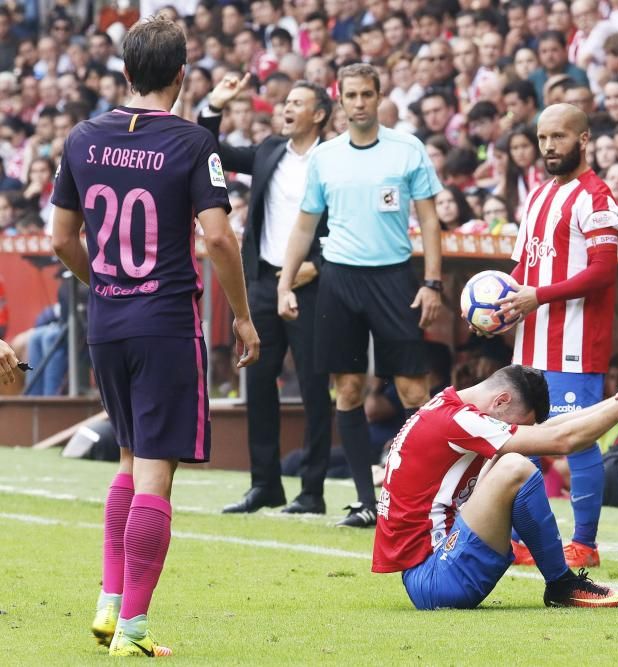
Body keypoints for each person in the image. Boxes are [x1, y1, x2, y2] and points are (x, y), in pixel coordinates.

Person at [49, 16, 260, 656]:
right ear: (181, 73)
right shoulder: (193, 144)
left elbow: (62, 239)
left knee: (128, 458)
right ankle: (135, 630)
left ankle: (110, 605)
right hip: (165, 321)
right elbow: (219, 237)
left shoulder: (83, 138)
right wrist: (244, 317)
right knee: (156, 473)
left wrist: (105, 283)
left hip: (107, 323)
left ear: (124, 71)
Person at [278, 63, 443, 528]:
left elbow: (430, 221)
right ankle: (366, 502)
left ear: (378, 95)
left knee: (413, 389)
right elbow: (306, 224)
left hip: (394, 277)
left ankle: (421, 498)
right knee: (347, 390)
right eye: (351, 95)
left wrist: (432, 282)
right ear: (340, 99)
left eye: (367, 94)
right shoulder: (326, 156)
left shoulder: (407, 149)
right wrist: (284, 283)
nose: (359, 102)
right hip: (340, 279)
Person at [372, 364, 618, 609]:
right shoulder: (460, 420)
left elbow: (547, 431)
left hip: (432, 570)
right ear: (502, 400)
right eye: (519, 424)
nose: (520, 432)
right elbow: (562, 441)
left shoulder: (446, 406)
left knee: (507, 456)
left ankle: (560, 582)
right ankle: (562, 584)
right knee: (515, 465)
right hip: (437, 578)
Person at [201, 74, 336, 516]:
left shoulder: (335, 158)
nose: (287, 108)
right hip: (261, 281)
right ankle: (265, 485)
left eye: (298, 102)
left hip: (312, 283)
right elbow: (211, 153)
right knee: (259, 383)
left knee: (316, 387)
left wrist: (321, 260)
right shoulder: (269, 151)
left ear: (319, 114)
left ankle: (312, 490)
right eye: (286, 102)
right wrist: (213, 108)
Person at [496, 103, 618, 569]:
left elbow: (603, 273)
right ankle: (517, 538)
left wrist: (537, 296)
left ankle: (584, 544)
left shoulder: (597, 198)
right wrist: (499, 307)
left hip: (575, 346)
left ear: (583, 139)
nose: (549, 146)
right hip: (529, 341)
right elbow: (522, 265)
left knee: (577, 440)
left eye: (559, 137)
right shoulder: (537, 194)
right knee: (522, 439)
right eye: (543, 137)